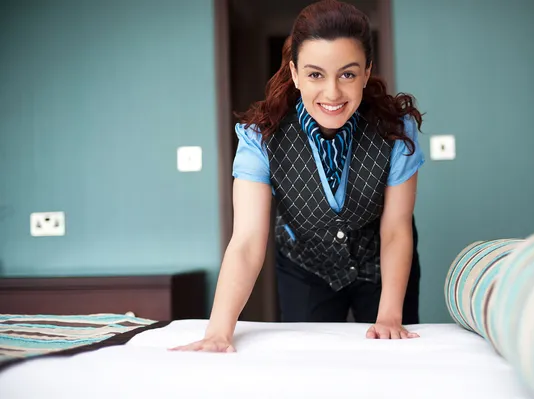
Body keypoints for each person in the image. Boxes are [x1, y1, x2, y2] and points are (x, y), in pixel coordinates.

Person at [172, 0, 424, 353]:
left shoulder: (397, 130)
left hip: (383, 266)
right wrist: (218, 332)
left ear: (367, 72)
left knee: (392, 355)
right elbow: (246, 241)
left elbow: (396, 228)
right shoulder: (260, 136)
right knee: (311, 366)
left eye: (348, 74)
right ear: (294, 73)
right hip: (305, 267)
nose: (332, 92)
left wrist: (389, 317)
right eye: (315, 74)